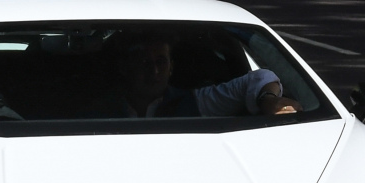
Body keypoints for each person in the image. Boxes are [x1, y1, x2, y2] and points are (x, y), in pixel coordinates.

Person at [110, 33, 299, 118]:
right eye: (144, 62)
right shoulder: (99, 108)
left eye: (161, 62)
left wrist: (268, 100)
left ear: (171, 68)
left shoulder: (191, 102)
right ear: (125, 67)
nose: (154, 71)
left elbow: (259, 78)